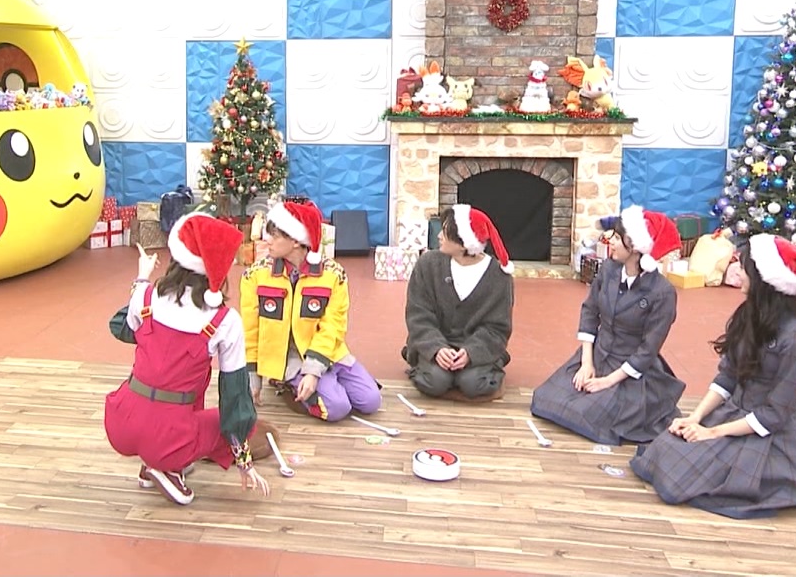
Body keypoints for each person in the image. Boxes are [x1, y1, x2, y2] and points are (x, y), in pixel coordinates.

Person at [628, 233, 796, 519]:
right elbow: (728, 376)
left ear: (764, 280)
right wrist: (696, 418)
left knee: (686, 477)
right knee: (665, 452)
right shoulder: (751, 314)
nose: (738, 273)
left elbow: (776, 413)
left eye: (744, 269)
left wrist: (712, 432)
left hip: (768, 430)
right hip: (734, 413)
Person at [104, 213, 274, 506]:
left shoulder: (146, 296)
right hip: (169, 435)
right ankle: (167, 467)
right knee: (233, 419)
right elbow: (235, 397)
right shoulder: (224, 321)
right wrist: (244, 460)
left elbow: (121, 327)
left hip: (121, 422)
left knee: (179, 388)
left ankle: (155, 462)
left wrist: (142, 279)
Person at [529, 206, 687, 445]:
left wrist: (607, 381)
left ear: (635, 247)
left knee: (590, 416)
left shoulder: (661, 293)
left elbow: (648, 349)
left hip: (630, 369)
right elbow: (590, 311)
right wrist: (586, 363)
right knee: (547, 400)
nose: (609, 240)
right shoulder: (608, 270)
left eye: (616, 237)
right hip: (598, 354)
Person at [241, 198, 382, 422]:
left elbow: (333, 326)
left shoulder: (333, 274)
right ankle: (286, 382)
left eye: (274, 235)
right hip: (287, 357)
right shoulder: (255, 275)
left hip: (328, 352)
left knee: (371, 401)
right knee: (337, 408)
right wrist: (252, 375)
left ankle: (324, 381)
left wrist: (314, 370)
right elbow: (250, 329)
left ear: (296, 241)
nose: (267, 240)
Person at [401, 206, 515, 402]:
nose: (439, 236)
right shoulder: (427, 264)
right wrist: (436, 349)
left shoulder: (499, 277)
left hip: (476, 345)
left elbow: (497, 327)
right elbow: (418, 315)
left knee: (473, 384)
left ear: (464, 243)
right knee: (436, 382)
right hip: (436, 342)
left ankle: (481, 368)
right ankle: (430, 366)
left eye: (445, 233)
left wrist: (471, 353)